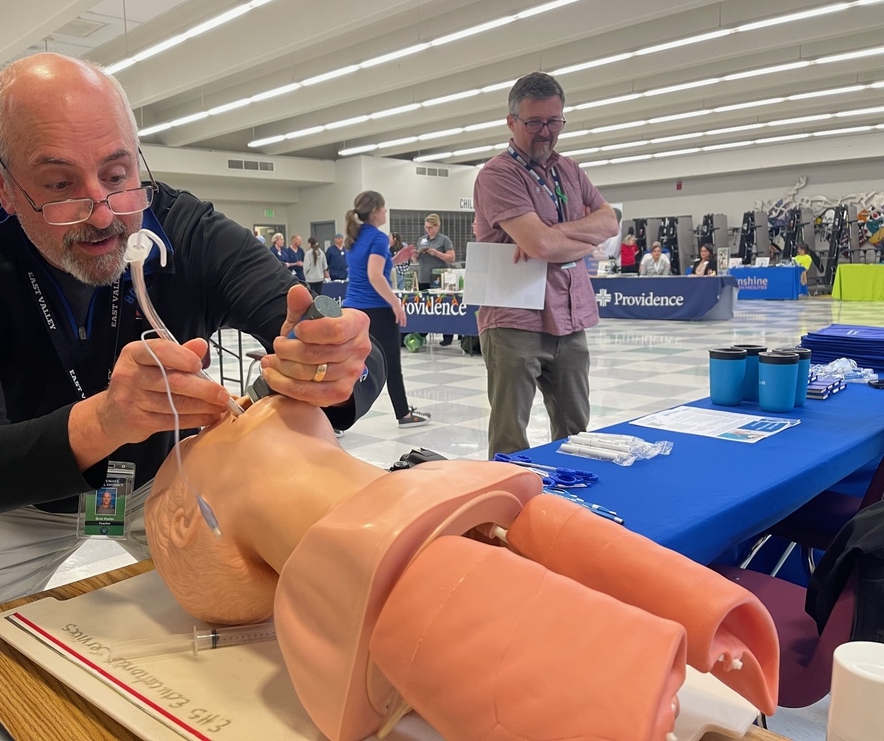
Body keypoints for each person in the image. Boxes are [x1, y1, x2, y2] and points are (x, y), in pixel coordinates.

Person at [0, 52, 384, 741]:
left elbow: (326, 333)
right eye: (59, 185)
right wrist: (108, 418)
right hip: (17, 502)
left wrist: (334, 361)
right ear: (1, 179)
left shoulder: (184, 226)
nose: (104, 214)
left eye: (117, 175)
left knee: (288, 624)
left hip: (164, 484)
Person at [144, 395, 779, 741]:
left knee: (551, 533)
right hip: (400, 566)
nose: (228, 400)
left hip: (452, 512)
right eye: (194, 438)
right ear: (183, 521)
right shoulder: (390, 579)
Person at [472, 72, 618, 458]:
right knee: (510, 440)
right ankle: (512, 515)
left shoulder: (569, 169)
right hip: (514, 319)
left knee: (577, 435)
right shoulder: (498, 175)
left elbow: (609, 222)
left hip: (570, 318)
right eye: (534, 122)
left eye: (554, 121)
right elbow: (538, 243)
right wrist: (568, 240)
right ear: (511, 122)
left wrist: (555, 237)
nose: (545, 132)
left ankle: (572, 509)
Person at [342, 191, 430, 428]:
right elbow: (374, 275)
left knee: (348, 366)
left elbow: (367, 268)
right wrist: (395, 302)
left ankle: (334, 419)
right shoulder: (379, 238)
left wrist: (396, 259)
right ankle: (403, 414)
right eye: (383, 208)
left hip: (352, 309)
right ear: (374, 212)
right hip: (378, 311)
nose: (386, 212)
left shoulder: (354, 236)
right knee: (391, 365)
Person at [415, 213, 456, 346]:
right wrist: (414, 255)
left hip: (439, 277)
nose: (428, 230)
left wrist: (437, 253)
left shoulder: (444, 240)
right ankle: (423, 333)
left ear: (437, 227)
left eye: (431, 227)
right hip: (423, 277)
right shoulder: (422, 240)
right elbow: (416, 259)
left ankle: (447, 335)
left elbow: (451, 257)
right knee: (425, 307)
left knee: (442, 306)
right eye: (426, 227)